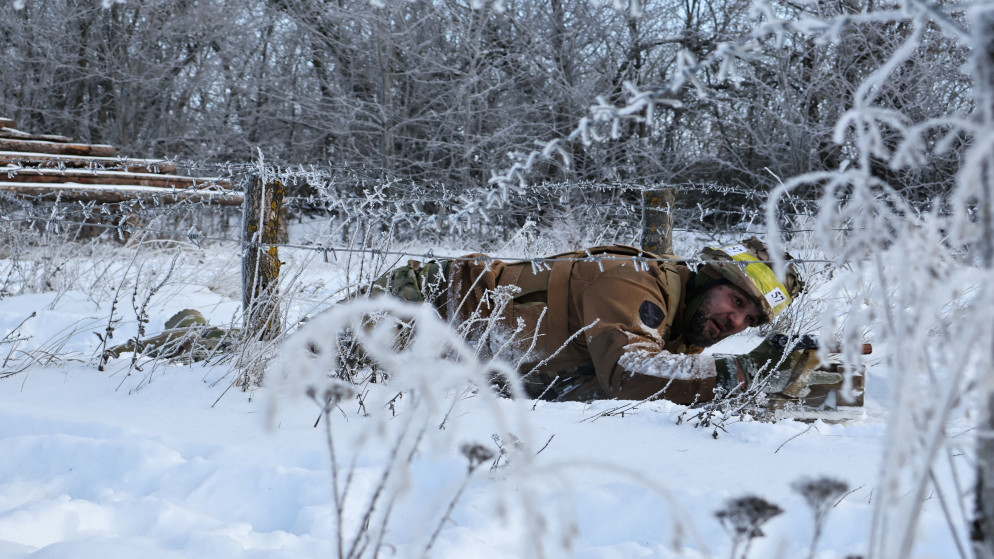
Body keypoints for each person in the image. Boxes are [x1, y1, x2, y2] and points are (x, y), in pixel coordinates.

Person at [369, 237, 813, 404]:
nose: (735, 321)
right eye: (735, 300)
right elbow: (629, 373)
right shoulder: (634, 284)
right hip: (419, 306)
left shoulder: (688, 324)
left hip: (462, 361)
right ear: (710, 277)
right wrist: (742, 373)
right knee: (333, 380)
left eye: (750, 318)